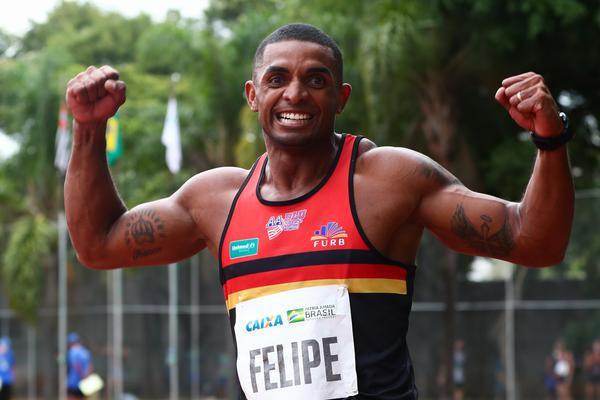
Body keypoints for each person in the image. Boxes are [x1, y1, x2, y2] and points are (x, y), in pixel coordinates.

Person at [64, 23, 574, 400]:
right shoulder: (216, 200)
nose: (294, 93)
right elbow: (98, 244)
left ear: (341, 97)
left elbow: (535, 240)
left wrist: (550, 139)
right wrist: (88, 131)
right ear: (252, 94)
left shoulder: (388, 181)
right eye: (277, 78)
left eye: (316, 79)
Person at [67, 332, 93, 399]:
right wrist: (86, 376)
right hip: (85, 381)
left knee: (72, 397)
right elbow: (90, 366)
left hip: (75, 381)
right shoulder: (86, 351)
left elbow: (76, 365)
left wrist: (82, 375)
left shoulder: (73, 351)